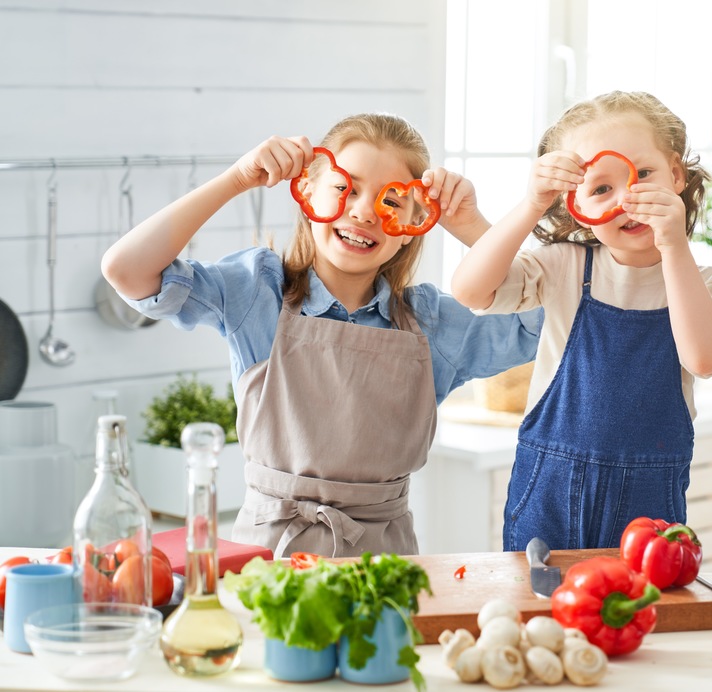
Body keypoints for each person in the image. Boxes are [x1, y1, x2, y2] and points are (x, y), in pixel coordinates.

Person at [100, 113, 542, 559]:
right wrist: (236, 180)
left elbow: (551, 318)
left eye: (392, 202)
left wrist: (470, 226)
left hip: (384, 566)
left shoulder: (432, 323)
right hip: (266, 562)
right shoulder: (257, 292)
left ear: (416, 225)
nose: (364, 211)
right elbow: (127, 270)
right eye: (344, 187)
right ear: (307, 190)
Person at [451, 91, 712, 551]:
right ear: (575, 205)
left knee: (638, 617)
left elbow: (703, 359)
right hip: (548, 495)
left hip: (649, 509)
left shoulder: (704, 283)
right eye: (602, 188)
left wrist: (674, 246)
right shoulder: (562, 267)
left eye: (643, 175)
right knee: (539, 614)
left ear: (677, 175)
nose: (626, 197)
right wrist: (530, 205)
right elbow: (470, 289)